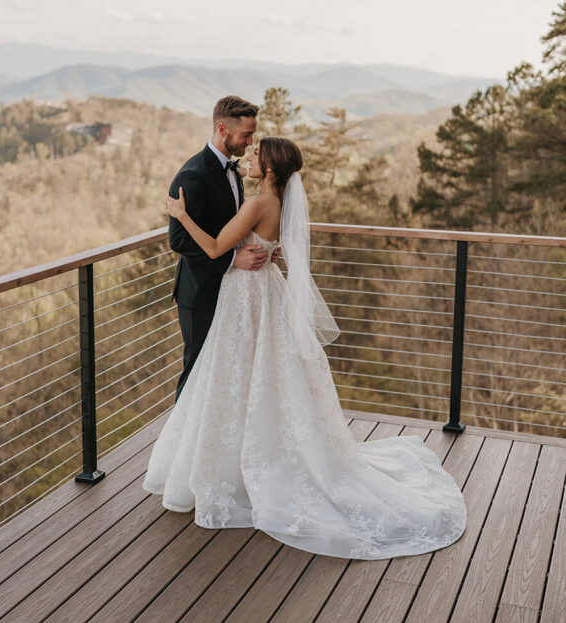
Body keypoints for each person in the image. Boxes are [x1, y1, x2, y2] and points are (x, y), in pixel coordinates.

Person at [142, 136, 467, 559]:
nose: (249, 158)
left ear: (272, 168)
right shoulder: (279, 204)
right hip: (265, 291)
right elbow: (266, 246)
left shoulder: (260, 203)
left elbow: (216, 247)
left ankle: (233, 468)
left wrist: (182, 214)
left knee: (234, 375)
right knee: (261, 377)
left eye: (257, 155)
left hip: (246, 296)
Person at [168, 95, 275, 400]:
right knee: (198, 370)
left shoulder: (233, 170)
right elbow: (178, 240)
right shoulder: (192, 174)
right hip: (201, 291)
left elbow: (232, 225)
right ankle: (184, 445)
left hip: (232, 291)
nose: (250, 141)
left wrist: (260, 246)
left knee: (224, 371)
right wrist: (231, 260)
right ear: (222, 129)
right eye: (246, 135)